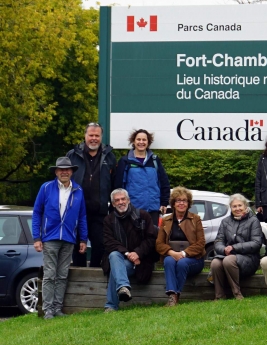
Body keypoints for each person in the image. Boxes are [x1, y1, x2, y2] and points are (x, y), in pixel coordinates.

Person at [32, 157, 88, 319]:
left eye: (67, 169)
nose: (64, 172)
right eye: (61, 169)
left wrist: (83, 239)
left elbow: (82, 215)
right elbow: (37, 213)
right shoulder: (46, 188)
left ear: (72, 172)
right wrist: (37, 237)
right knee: (50, 274)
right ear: (56, 172)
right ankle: (48, 309)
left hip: (69, 238)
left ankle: (57, 308)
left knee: (63, 274)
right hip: (50, 237)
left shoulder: (78, 190)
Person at [67, 122, 117, 268]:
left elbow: (115, 185)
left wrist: (112, 210)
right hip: (76, 211)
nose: (93, 138)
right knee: (77, 246)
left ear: (101, 137)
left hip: (99, 211)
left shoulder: (110, 157)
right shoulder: (72, 155)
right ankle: (79, 275)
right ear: (85, 136)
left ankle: (94, 274)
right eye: (91, 135)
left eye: (97, 135)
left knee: (100, 245)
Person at [102, 189, 158, 312]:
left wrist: (137, 253)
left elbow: (151, 239)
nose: (121, 202)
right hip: (122, 259)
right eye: (117, 200)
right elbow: (109, 242)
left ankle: (111, 305)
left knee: (115, 269)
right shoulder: (108, 220)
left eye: (123, 199)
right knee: (114, 255)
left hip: (141, 261)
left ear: (128, 200)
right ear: (113, 204)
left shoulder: (143, 216)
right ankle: (123, 287)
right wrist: (127, 254)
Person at [156, 186, 205, 307]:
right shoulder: (166, 220)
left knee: (182, 263)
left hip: (194, 259)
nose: (181, 203)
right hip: (172, 256)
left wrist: (183, 254)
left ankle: (176, 296)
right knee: (168, 260)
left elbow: (201, 243)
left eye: (184, 200)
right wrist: (172, 253)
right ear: (173, 203)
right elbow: (159, 244)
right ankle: (172, 296)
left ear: (188, 203)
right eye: (178, 200)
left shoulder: (196, 219)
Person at [114, 129, 170, 228]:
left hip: (153, 210)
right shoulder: (125, 161)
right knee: (133, 240)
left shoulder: (155, 160)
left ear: (148, 142)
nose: (141, 142)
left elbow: (164, 182)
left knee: (151, 239)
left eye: (144, 140)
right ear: (134, 141)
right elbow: (119, 185)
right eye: (138, 139)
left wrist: (164, 202)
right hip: (132, 209)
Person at [210, 194, 263, 300]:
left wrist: (234, 248)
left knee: (228, 260)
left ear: (245, 206)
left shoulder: (253, 221)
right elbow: (219, 241)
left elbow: (256, 243)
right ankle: (219, 296)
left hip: (249, 258)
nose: (237, 208)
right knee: (215, 263)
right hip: (228, 256)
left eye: (240, 205)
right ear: (230, 207)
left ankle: (237, 294)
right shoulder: (225, 222)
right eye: (234, 206)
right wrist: (224, 249)